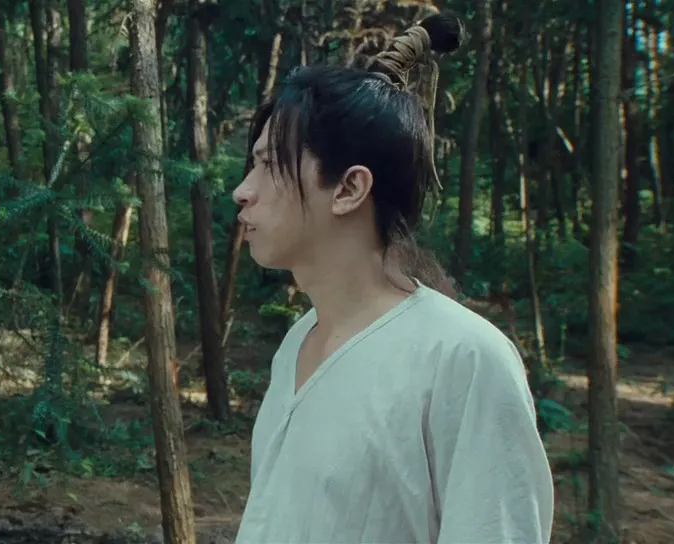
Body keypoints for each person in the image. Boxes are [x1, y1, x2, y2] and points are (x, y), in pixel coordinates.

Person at [231, 14, 555, 544]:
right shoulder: (296, 345)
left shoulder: (465, 359)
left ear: (349, 189)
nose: (243, 190)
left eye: (269, 165)